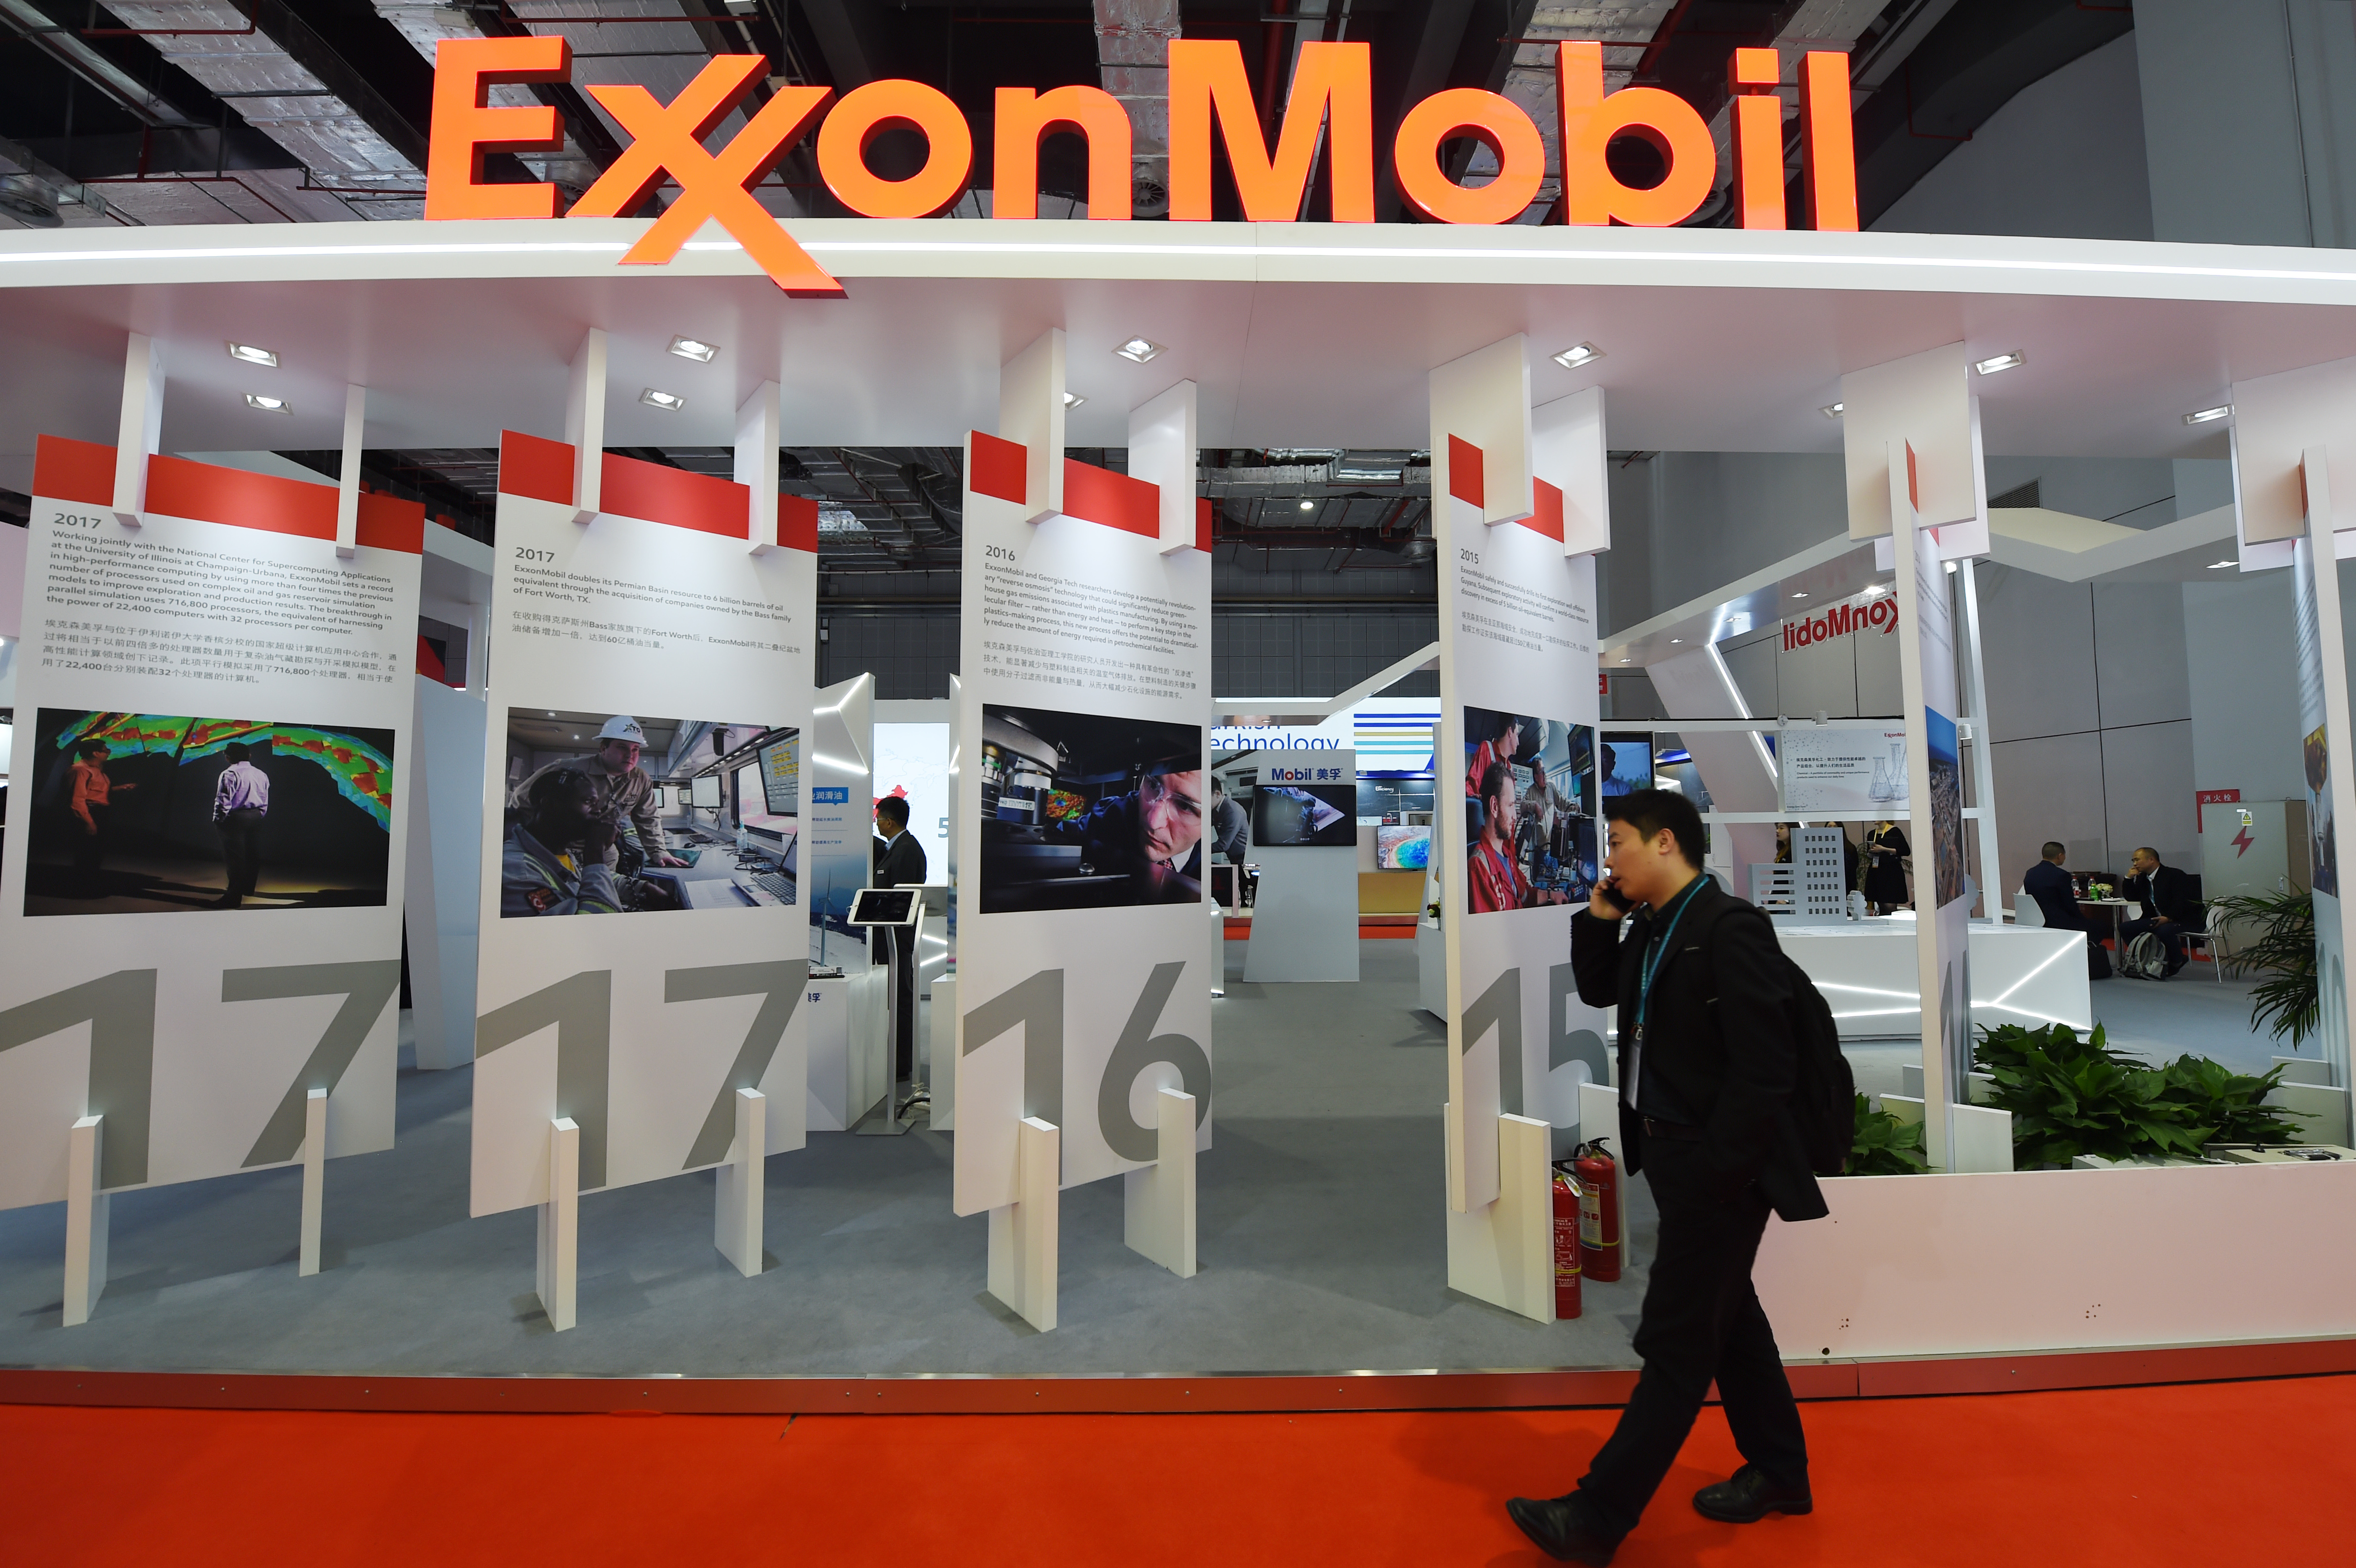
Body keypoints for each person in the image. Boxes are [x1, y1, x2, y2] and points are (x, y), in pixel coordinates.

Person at [1508, 787, 1826, 1565]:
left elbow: (1766, 1069)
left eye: (1617, 841)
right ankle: (1781, 1472)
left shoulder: (1728, 929)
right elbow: (1599, 989)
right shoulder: (1655, 926)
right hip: (1674, 1156)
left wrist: (1721, 1172)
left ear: (1664, 843)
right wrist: (1599, 916)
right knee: (1730, 1321)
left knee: (1678, 1339)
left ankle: (1597, 1515)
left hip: (1717, 1169)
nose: (1607, 857)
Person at [509, 716, 687, 875]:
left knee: (603, 888)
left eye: (635, 749)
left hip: (603, 848)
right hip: (559, 847)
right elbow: (520, 800)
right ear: (603, 748)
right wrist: (541, 839)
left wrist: (658, 852)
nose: (630, 755)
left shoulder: (641, 780)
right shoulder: (569, 770)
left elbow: (648, 819)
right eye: (622, 747)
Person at [1042, 758, 1204, 902]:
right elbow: (1057, 838)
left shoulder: (1209, 872)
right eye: (1153, 785)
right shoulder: (1112, 814)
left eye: (1184, 806)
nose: (1153, 822)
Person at [501, 767, 623, 916]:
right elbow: (591, 925)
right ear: (550, 805)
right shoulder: (518, 872)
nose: (598, 811)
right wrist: (595, 851)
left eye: (597, 803)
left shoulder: (556, 850)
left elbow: (580, 879)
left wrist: (637, 886)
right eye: (588, 802)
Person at [872, 795, 928, 1080]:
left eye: (878, 819)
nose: (876, 823)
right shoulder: (893, 848)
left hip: (898, 939)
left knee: (901, 999)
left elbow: (902, 901)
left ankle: (901, 1065)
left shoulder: (907, 851)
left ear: (889, 822)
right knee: (893, 998)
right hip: (888, 938)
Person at [2119, 846, 2201, 977]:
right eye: (2133, 861)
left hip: (2184, 918)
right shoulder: (2143, 878)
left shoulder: (2174, 875)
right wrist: (2128, 879)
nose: (2135, 864)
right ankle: (2145, 957)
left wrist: (2169, 917)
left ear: (2151, 860)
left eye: (2137, 860)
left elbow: (2182, 901)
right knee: (2125, 928)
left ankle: (2177, 961)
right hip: (2157, 918)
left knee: (2164, 930)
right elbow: (2133, 897)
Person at [210, 738, 272, 909]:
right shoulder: (261, 774)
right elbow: (265, 798)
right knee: (253, 854)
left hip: (235, 818)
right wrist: (260, 814)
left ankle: (233, 898)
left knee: (235, 859)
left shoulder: (229, 774)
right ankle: (248, 889)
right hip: (256, 816)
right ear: (249, 756)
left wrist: (218, 820)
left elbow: (223, 801)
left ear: (228, 757)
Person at [67, 739, 136, 890]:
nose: (109, 752)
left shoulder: (97, 770)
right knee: (87, 851)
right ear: (95, 753)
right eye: (105, 750)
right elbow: (77, 800)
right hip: (90, 812)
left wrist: (120, 788)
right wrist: (89, 822)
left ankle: (90, 883)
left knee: (96, 851)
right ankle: (81, 886)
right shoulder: (80, 770)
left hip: (99, 812)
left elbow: (96, 791)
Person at [1468, 762, 1533, 912]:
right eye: (1511, 806)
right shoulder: (1479, 868)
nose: (1515, 816)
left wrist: (1551, 895)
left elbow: (1526, 895)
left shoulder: (1507, 856)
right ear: (1495, 807)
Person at [1861, 819, 1909, 912]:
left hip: (1891, 871)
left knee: (1890, 904)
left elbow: (1905, 851)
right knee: (1881, 904)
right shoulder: (1872, 834)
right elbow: (1869, 855)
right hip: (1876, 870)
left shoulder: (1895, 832)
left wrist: (1884, 849)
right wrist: (1872, 851)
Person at [1207, 777, 1248, 864]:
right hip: (1234, 858)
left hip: (1245, 859)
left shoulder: (1233, 811)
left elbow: (1223, 845)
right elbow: (1204, 825)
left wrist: (1200, 849)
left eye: (1205, 798)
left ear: (1217, 794)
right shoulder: (1215, 809)